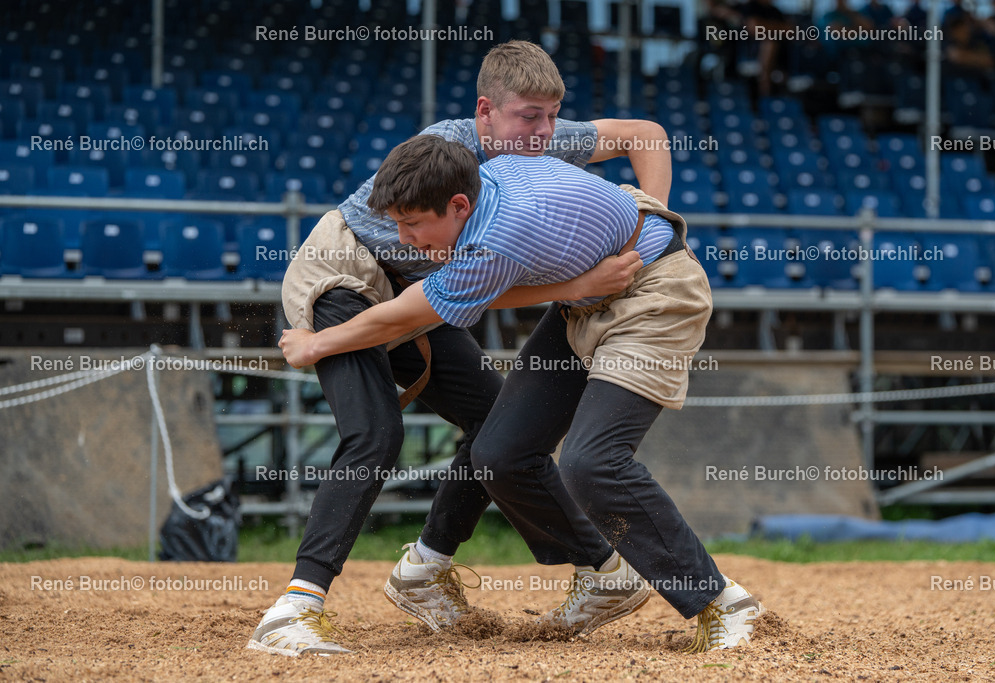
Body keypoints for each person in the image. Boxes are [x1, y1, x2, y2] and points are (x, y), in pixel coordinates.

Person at [248, 40, 670, 657]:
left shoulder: (533, 140)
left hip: (422, 290)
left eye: (553, 116)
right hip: (346, 277)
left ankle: (432, 569)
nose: (545, 133)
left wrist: (652, 214)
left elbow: (645, 134)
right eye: (529, 118)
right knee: (374, 433)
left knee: (497, 428)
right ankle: (294, 607)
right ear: (485, 113)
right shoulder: (449, 152)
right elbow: (433, 297)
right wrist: (318, 342)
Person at [279, 134, 763, 652]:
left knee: (593, 463)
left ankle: (721, 602)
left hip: (655, 294)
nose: (402, 237)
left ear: (459, 205)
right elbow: (489, 287)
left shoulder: (498, 234)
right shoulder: (488, 174)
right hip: (587, 297)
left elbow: (412, 311)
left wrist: (315, 343)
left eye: (413, 223)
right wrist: (584, 277)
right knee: (498, 453)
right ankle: (604, 579)